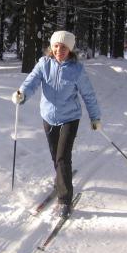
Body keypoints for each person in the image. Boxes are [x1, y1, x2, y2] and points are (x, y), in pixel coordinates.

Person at [11, 30, 102, 218]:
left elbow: (89, 95)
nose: (59, 49)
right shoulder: (44, 64)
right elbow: (31, 82)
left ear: (70, 49)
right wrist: (22, 94)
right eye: (56, 46)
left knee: (62, 156)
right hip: (48, 117)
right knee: (55, 155)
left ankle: (65, 199)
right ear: (51, 47)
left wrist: (95, 118)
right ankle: (60, 178)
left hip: (70, 117)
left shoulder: (76, 69)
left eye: (64, 47)